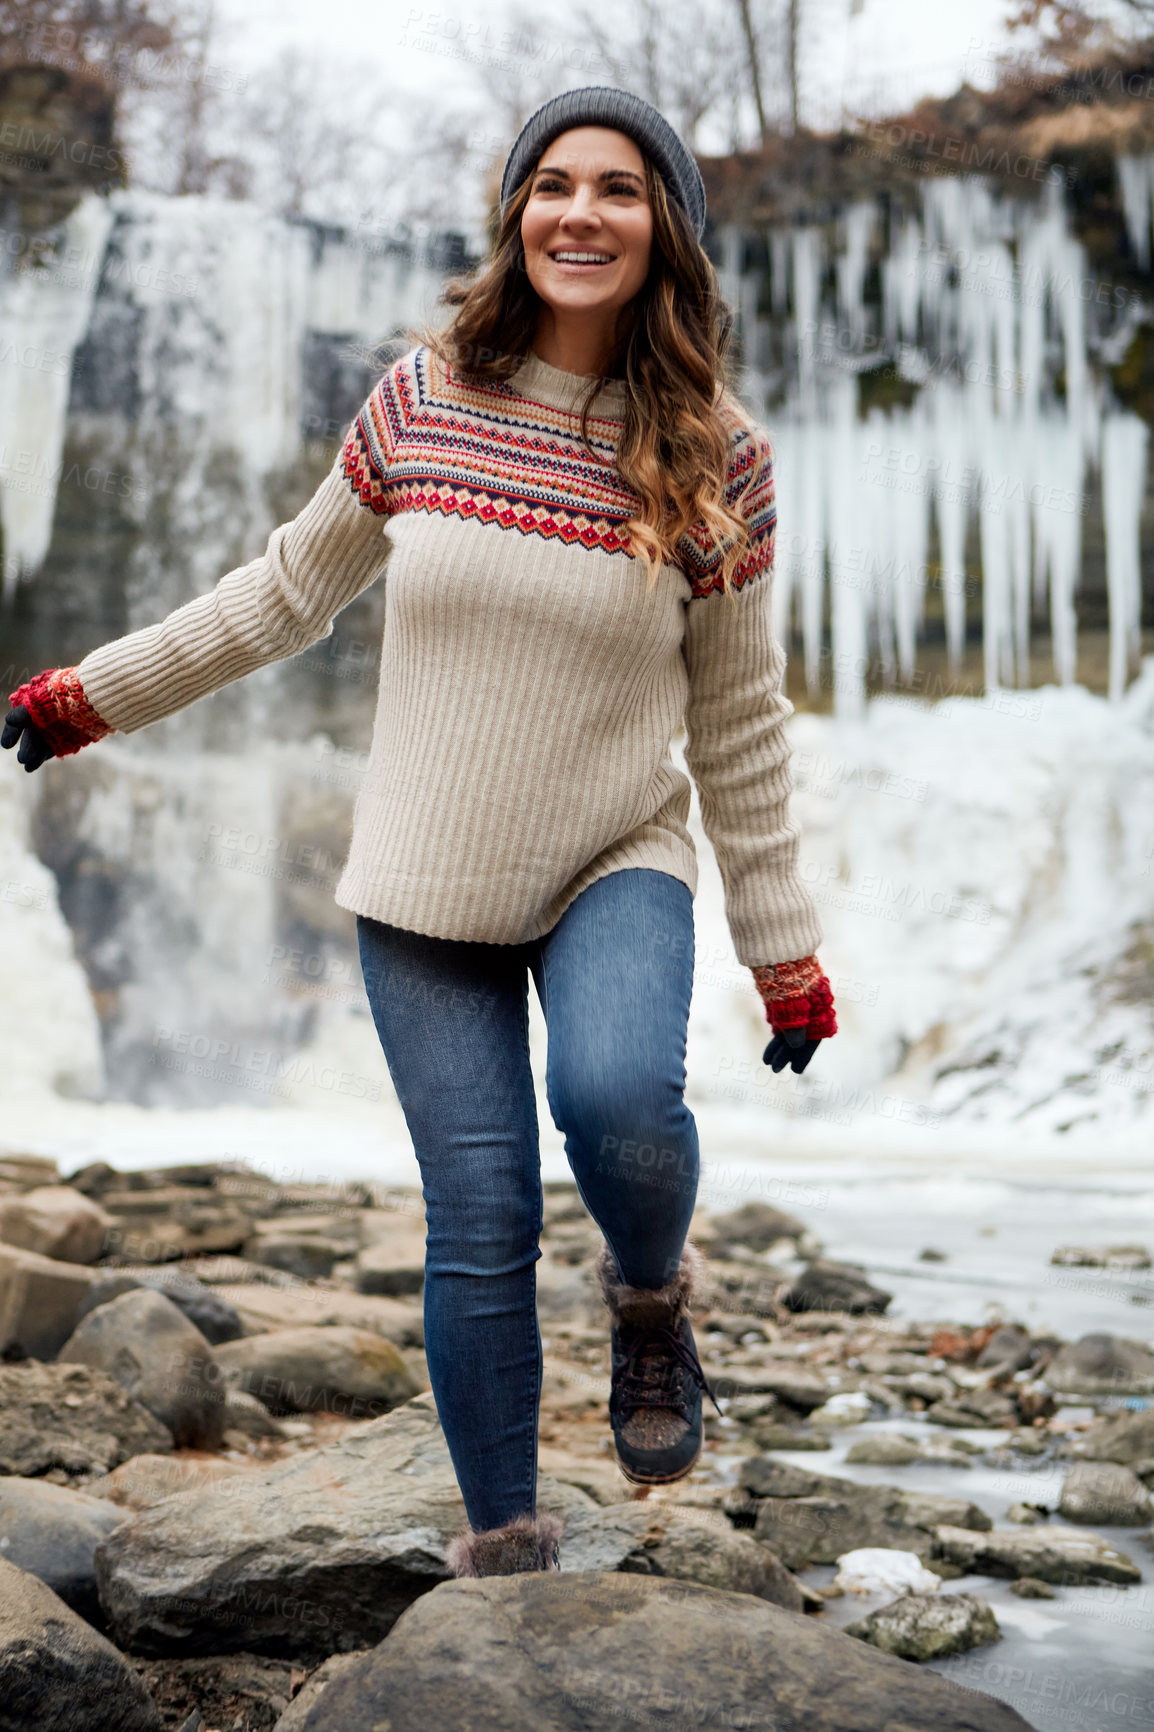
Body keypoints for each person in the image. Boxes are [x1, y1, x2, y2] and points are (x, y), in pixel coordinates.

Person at [3, 85, 837, 1579]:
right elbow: (278, 595)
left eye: (620, 190)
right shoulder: (425, 396)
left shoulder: (718, 455)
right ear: (516, 213)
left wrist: (785, 956)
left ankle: (651, 1301)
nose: (580, 212)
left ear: (668, 234)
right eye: (553, 184)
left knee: (621, 1105)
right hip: (422, 878)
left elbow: (738, 724)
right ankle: (503, 1544)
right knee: (480, 1216)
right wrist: (90, 698)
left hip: (612, 855)